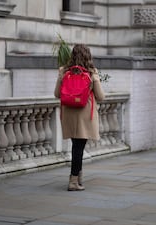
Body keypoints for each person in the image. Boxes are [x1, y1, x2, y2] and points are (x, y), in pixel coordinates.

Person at [54, 44, 105, 191]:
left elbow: (57, 94)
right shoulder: (91, 72)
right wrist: (96, 79)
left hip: (69, 114)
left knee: (77, 147)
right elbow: (101, 96)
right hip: (84, 114)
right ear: (88, 56)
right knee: (78, 148)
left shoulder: (64, 71)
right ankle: (73, 181)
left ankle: (78, 178)